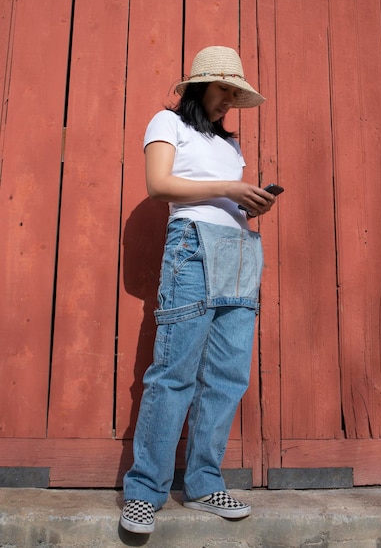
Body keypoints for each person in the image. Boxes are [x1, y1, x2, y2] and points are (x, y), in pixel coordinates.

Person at [120, 46, 277, 534]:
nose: (229, 99)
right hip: (190, 250)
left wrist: (249, 203)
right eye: (224, 89)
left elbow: (223, 201)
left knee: (228, 376)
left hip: (238, 252)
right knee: (173, 374)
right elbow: (159, 184)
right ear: (199, 85)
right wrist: (229, 190)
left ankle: (205, 483)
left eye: (235, 92)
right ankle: (145, 492)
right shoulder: (167, 124)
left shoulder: (230, 146)